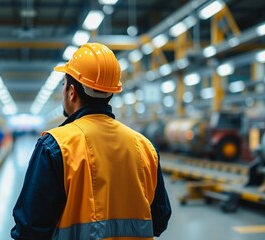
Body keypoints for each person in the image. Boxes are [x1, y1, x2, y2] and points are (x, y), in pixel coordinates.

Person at [11, 43, 171, 240]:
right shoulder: (145, 147)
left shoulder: (56, 146)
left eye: (63, 85)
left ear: (71, 92)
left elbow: (30, 229)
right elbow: (159, 220)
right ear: (111, 92)